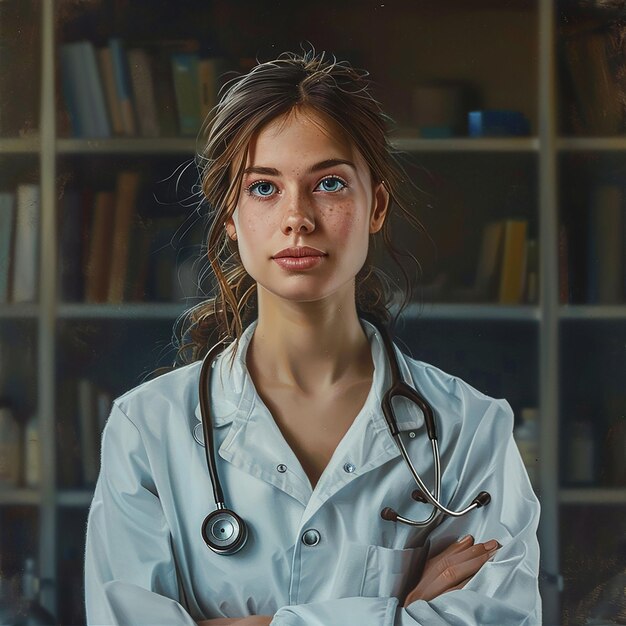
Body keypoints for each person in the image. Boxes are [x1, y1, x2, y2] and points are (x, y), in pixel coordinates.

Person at [84, 48, 542, 625]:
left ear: (375, 205)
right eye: (263, 188)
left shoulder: (470, 431)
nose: (297, 217)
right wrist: (397, 614)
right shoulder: (147, 430)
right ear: (229, 215)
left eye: (327, 183)